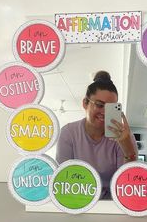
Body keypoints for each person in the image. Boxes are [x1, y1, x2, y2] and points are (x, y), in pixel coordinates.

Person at [56, 71, 138, 199]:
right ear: (85, 103)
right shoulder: (69, 133)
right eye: (100, 105)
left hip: (112, 204)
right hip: (77, 199)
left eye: (111, 108)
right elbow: (63, 180)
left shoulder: (124, 137)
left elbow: (128, 185)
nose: (104, 113)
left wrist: (128, 148)